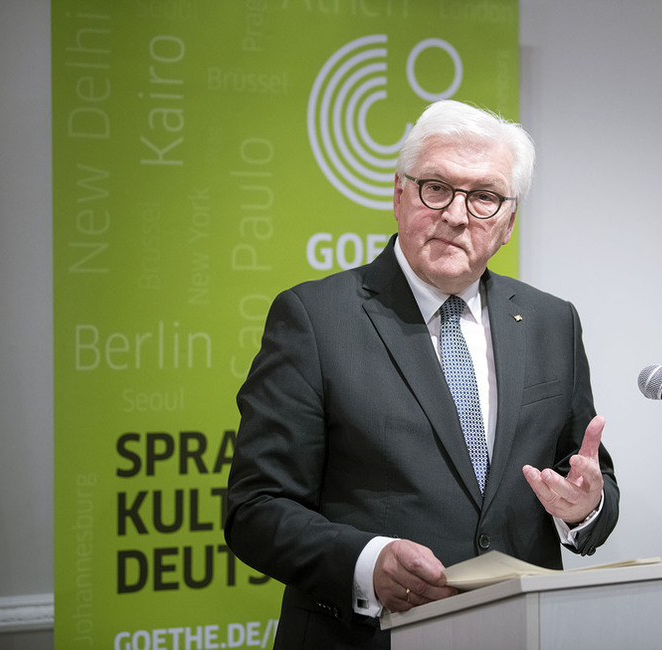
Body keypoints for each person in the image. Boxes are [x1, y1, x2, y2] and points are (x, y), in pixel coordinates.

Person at [225, 99, 620, 649]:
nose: (456, 215)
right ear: (398, 195)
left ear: (508, 224)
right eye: (436, 186)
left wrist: (586, 509)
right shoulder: (315, 319)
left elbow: (582, 475)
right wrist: (368, 563)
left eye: (484, 197)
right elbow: (256, 508)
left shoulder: (552, 321)